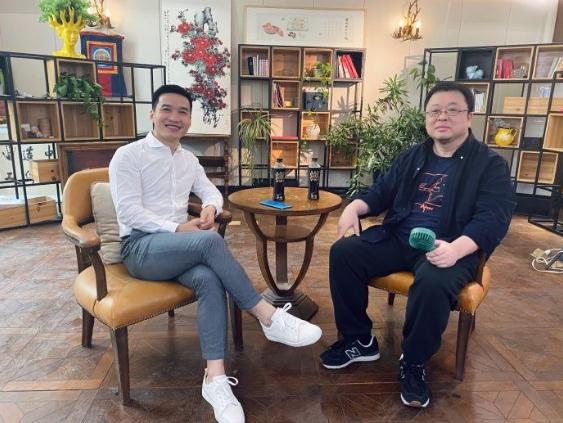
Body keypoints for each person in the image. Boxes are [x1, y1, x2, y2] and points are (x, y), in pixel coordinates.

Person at [109, 84, 322, 423]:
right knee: (210, 242)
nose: (174, 117)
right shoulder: (128, 155)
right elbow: (129, 213)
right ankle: (267, 316)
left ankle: (215, 378)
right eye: (167, 109)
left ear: (189, 119)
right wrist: (178, 228)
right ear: (152, 114)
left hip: (177, 248)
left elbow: (210, 191)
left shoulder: (188, 159)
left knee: (209, 280)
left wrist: (209, 208)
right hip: (141, 247)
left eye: (182, 112)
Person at [320, 81, 515, 408]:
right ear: (426, 117)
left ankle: (413, 361)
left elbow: (492, 219)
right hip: (400, 238)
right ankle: (359, 340)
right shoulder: (413, 156)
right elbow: (381, 191)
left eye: (452, 110)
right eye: (435, 111)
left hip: (451, 246)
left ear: (469, 116)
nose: (442, 117)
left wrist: (456, 249)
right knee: (344, 253)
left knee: (433, 282)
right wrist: (354, 207)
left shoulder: (489, 165)